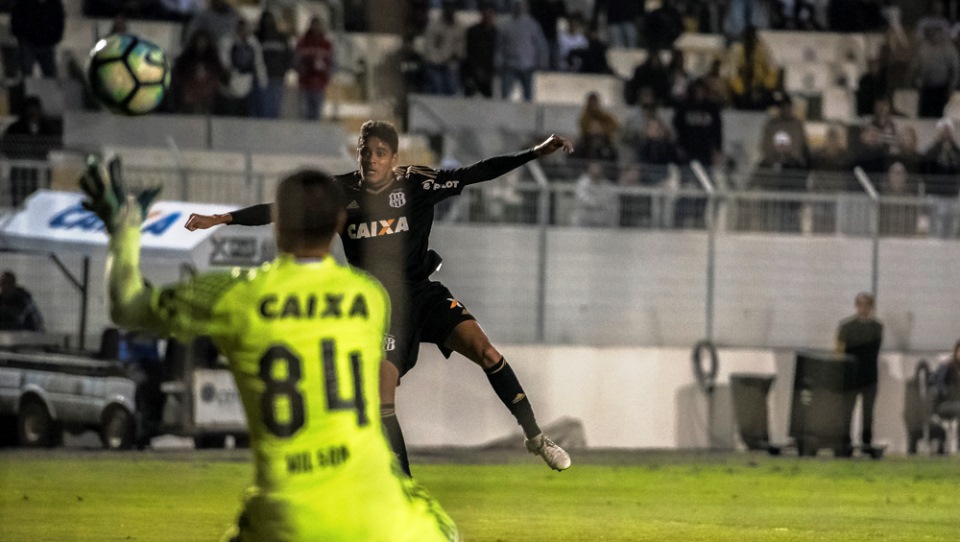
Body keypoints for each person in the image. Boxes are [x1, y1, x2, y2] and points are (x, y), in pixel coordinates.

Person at [79, 160, 459, 542]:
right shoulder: (371, 298)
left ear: (279, 224)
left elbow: (126, 305)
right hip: (383, 519)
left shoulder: (238, 296)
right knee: (443, 529)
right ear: (339, 224)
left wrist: (124, 231)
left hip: (288, 521)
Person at [183, 121, 574, 476]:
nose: (370, 160)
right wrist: (223, 219)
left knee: (487, 352)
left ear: (394, 158)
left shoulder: (418, 184)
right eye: (364, 152)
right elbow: (282, 209)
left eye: (379, 153)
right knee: (383, 399)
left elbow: (476, 173)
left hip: (422, 293)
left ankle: (536, 438)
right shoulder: (339, 193)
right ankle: (405, 490)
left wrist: (534, 153)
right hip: (379, 307)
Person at [835, 292, 884, 452]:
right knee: (846, 412)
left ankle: (866, 442)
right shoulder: (846, 326)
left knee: (868, 414)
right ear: (856, 306)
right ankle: (844, 442)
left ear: (872, 307)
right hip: (850, 376)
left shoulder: (877, 327)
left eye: (867, 305)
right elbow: (839, 352)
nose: (864, 308)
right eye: (861, 305)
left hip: (869, 376)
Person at [0, 95, 61, 206]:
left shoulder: (48, 127)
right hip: (20, 173)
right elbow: (5, 146)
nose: (33, 112)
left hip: (41, 173)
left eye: (35, 109)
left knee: (39, 199)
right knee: (20, 202)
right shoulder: (14, 129)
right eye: (30, 109)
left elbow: (55, 145)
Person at [496, 0, 549, 101]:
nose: (519, 7)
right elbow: (500, 46)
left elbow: (540, 44)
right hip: (510, 65)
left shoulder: (533, 24)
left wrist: (543, 62)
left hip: (527, 66)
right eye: (516, 5)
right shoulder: (505, 25)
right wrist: (498, 61)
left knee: (528, 96)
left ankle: (527, 116)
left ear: (526, 7)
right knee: (505, 94)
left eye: (521, 5)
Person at [219, 19, 268, 117]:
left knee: (244, 114)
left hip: (247, 84)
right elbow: (224, 61)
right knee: (229, 114)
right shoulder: (227, 41)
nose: (243, 32)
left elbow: (259, 63)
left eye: (246, 29)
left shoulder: (254, 43)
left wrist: (262, 80)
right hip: (229, 85)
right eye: (241, 29)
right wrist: (230, 75)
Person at [255, 11, 294, 119]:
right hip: (261, 77)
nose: (267, 22)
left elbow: (289, 55)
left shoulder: (282, 38)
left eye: (269, 20)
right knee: (262, 108)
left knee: (274, 107)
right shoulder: (257, 37)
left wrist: (285, 70)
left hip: (277, 76)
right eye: (265, 20)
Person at [11, 0, 65, 78]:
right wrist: (21, 36)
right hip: (28, 43)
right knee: (26, 73)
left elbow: (59, 21)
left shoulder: (54, 4)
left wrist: (55, 38)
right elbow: (16, 17)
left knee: (50, 74)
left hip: (46, 44)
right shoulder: (24, 3)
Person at [295, 16, 334, 121]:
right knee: (304, 113)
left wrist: (327, 77)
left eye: (318, 25)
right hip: (305, 82)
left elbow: (330, 63)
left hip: (319, 83)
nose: (316, 28)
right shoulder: (303, 42)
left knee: (316, 114)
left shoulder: (326, 44)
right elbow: (297, 61)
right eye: (314, 25)